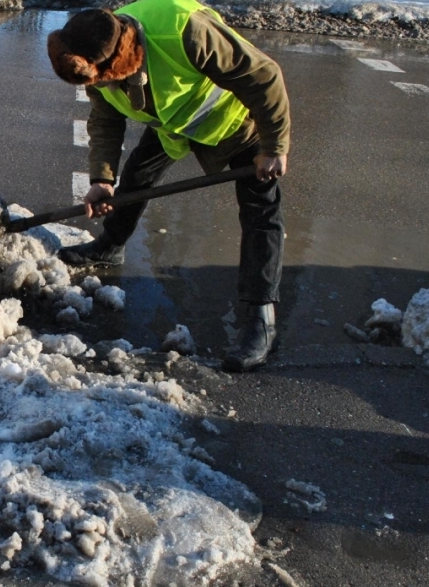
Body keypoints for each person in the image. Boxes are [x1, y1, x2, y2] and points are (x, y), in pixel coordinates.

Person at [46, 0, 290, 372]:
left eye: (103, 80)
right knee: (136, 177)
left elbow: (265, 75)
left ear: (121, 63)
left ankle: (261, 317)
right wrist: (101, 179)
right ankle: (110, 245)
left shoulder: (187, 31)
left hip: (236, 124)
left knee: (261, 214)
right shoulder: (91, 57)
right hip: (173, 125)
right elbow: (106, 118)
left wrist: (274, 148)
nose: (97, 87)